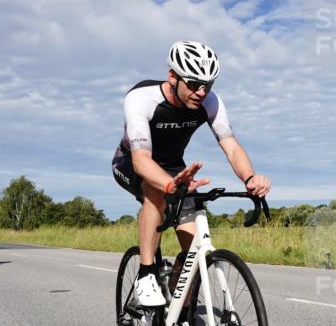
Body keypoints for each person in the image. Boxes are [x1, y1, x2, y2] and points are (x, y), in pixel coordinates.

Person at [112, 41, 270, 307]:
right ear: (172, 76)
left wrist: (250, 178)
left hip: (175, 167)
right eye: (194, 83)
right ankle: (146, 273)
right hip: (131, 163)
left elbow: (230, 145)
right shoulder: (141, 98)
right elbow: (141, 159)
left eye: (208, 85)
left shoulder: (210, 101)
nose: (201, 91)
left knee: (194, 248)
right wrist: (168, 184)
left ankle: (179, 310)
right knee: (156, 191)